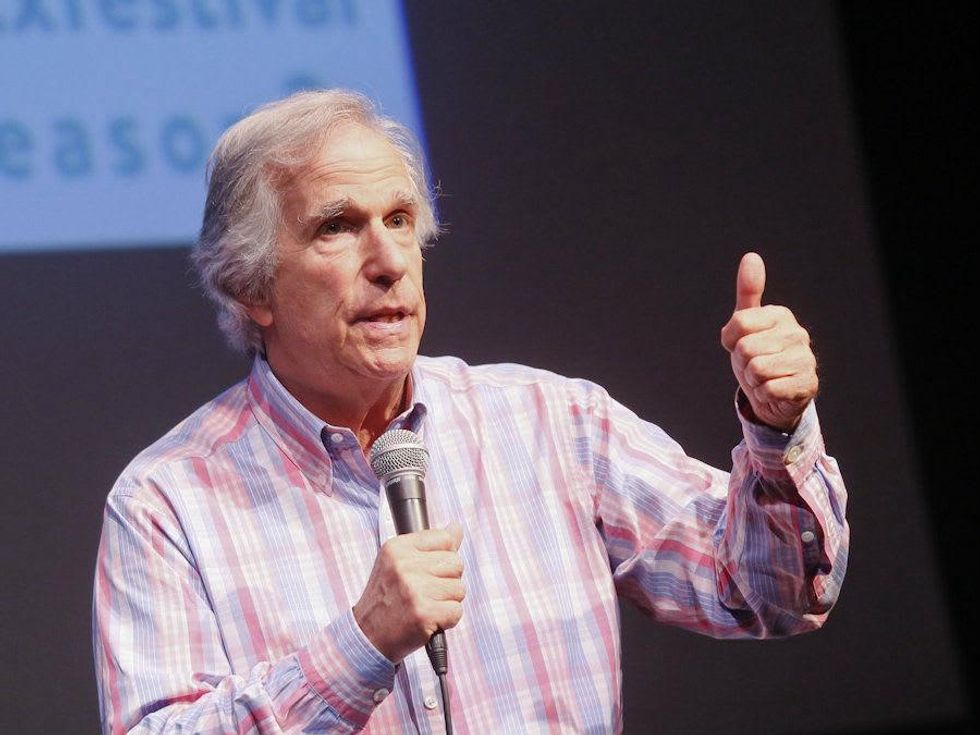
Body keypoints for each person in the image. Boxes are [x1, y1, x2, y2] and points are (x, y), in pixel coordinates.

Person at [92, 89, 848, 734]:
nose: (389, 260)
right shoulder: (168, 500)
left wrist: (777, 431)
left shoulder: (552, 423)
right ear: (250, 287)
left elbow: (767, 591)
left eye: (399, 219)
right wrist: (359, 646)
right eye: (337, 226)